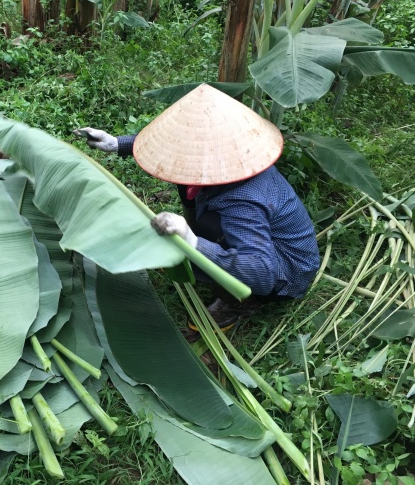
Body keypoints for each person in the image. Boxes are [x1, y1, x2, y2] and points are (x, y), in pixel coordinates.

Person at [76, 84, 320, 329]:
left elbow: (262, 274)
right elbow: (176, 148)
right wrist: (117, 144)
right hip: (262, 242)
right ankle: (200, 252)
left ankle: (235, 302)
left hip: (282, 274)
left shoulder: (243, 201)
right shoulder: (236, 156)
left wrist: (192, 242)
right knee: (188, 190)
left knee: (210, 228)